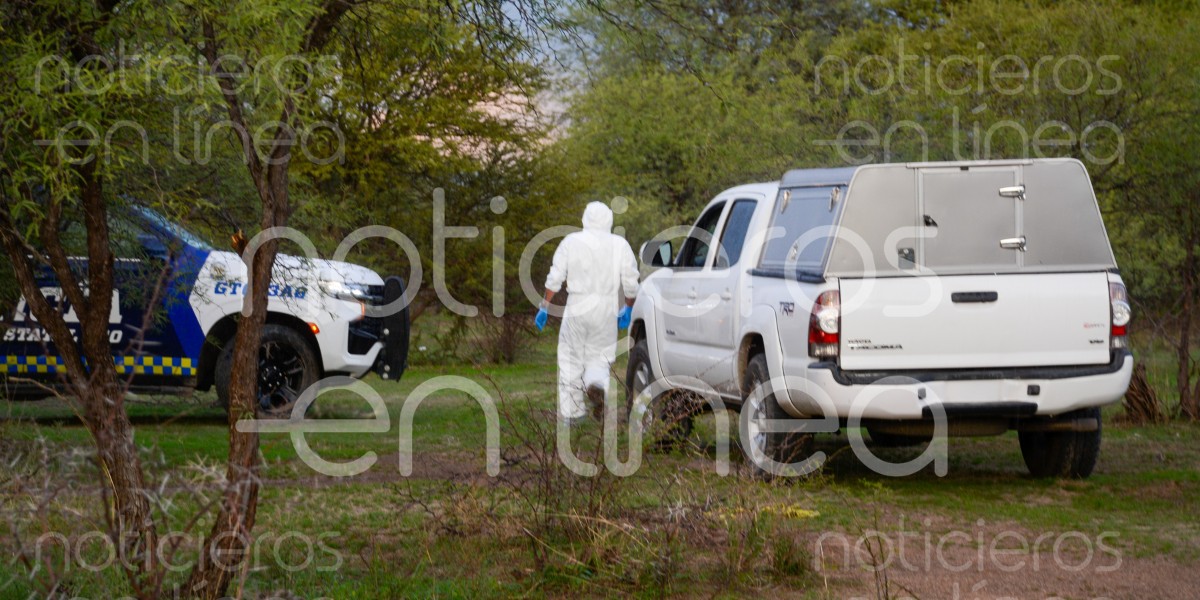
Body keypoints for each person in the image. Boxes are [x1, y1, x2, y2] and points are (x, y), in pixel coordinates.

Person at [536, 202, 639, 424]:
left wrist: (544, 306)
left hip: (578, 305)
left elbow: (555, 278)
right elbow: (631, 282)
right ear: (609, 220)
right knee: (600, 358)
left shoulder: (571, 241)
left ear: (584, 218)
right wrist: (628, 307)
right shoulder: (620, 244)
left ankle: (573, 413)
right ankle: (597, 385)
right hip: (606, 307)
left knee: (570, 358)